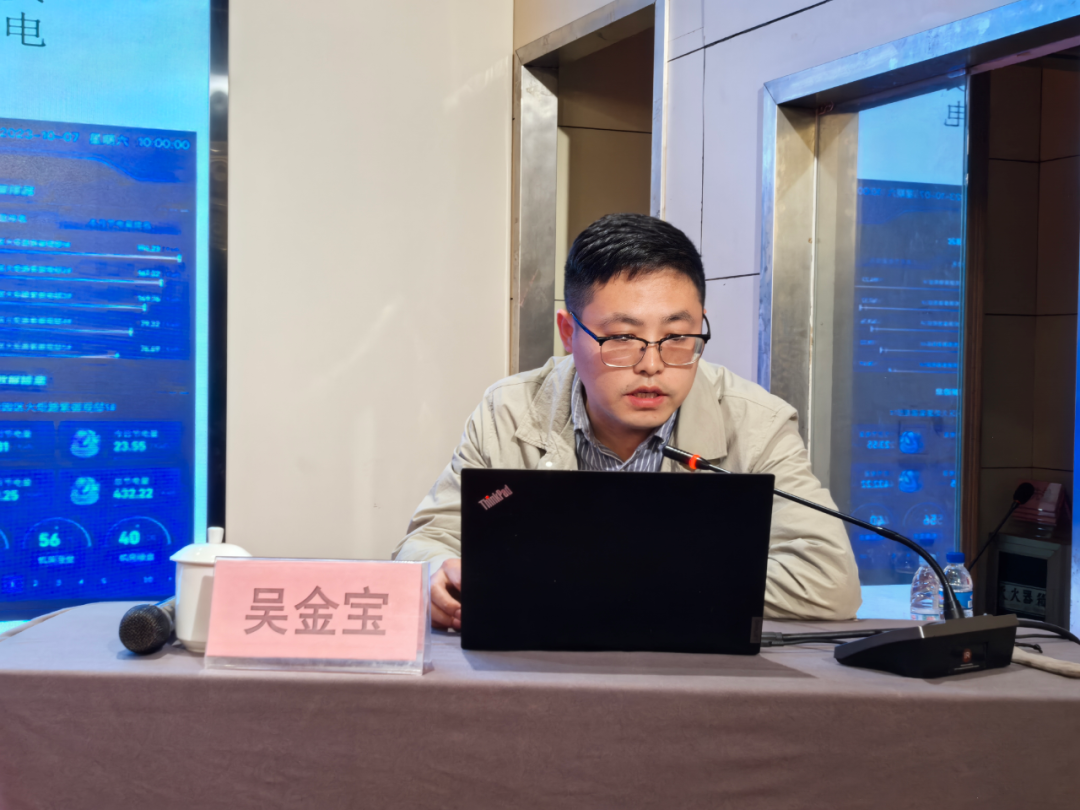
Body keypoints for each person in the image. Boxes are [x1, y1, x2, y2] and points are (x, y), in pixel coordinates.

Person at [393, 213, 861, 629]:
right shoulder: (510, 410)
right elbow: (428, 542)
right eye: (621, 337)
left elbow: (828, 582)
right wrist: (436, 575)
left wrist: (607, 576)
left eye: (677, 336)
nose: (652, 365)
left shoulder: (757, 422)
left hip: (692, 679)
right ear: (569, 333)